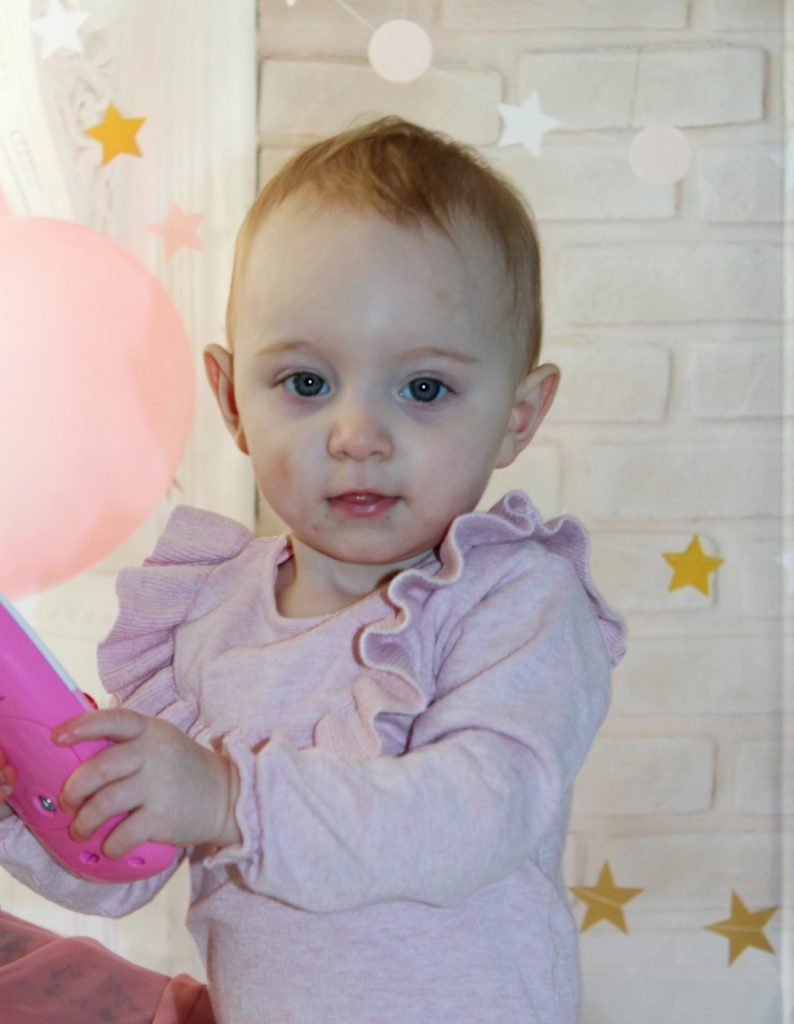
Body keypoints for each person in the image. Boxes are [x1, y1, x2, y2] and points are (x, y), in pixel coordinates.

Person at [0, 115, 625, 1023]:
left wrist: (229, 798)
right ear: (232, 401)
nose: (357, 436)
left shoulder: (514, 597)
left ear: (519, 415)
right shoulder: (207, 615)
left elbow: (479, 814)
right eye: (305, 383)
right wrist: (28, 800)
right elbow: (126, 867)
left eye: (424, 389)